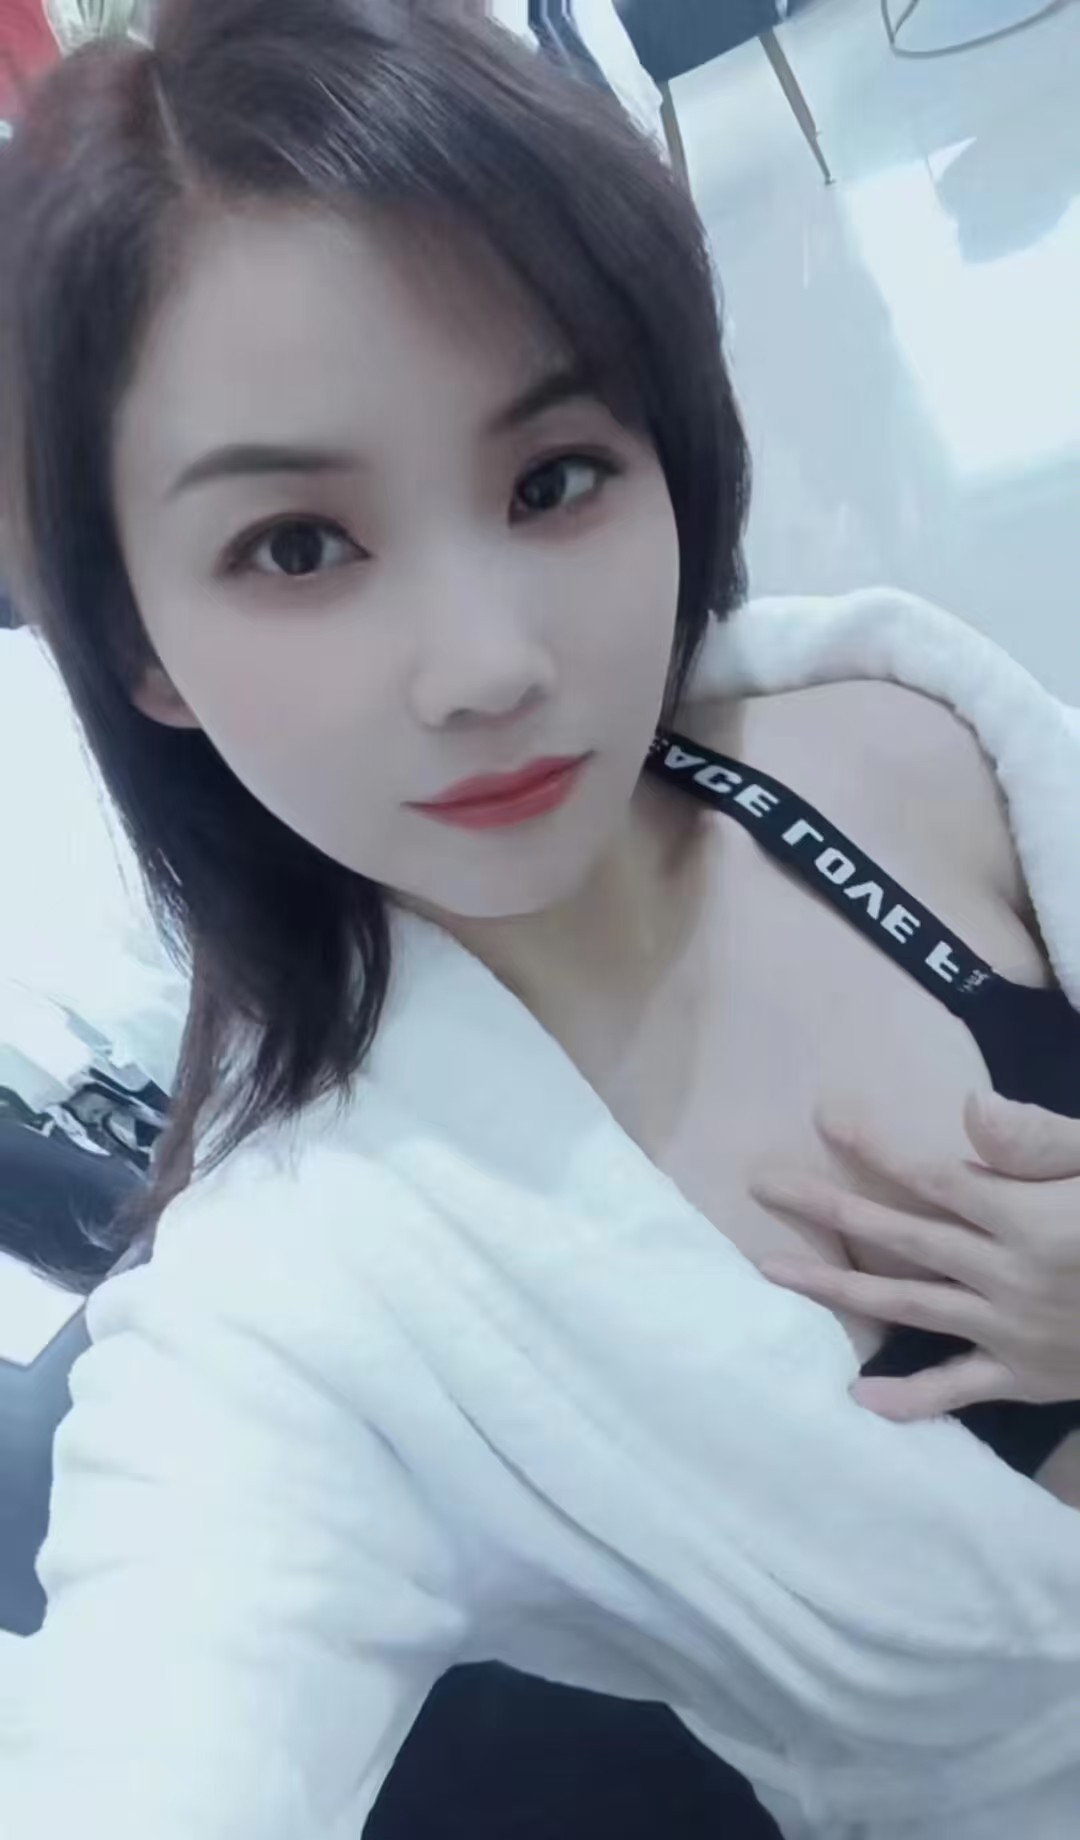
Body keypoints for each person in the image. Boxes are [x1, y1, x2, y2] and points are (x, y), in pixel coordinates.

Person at [1, 4, 1079, 1837]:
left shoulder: (894, 733)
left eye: (553, 476)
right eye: (297, 546)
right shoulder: (289, 1318)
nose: (489, 666)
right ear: (135, 644)